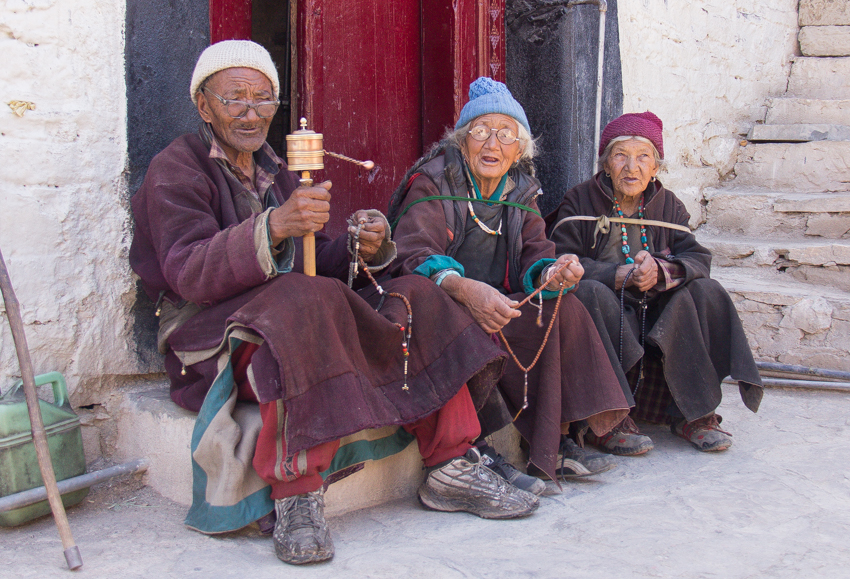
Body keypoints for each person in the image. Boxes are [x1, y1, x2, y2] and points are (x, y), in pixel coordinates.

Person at [129, 41, 539, 567]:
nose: (251, 112)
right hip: (210, 334)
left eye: (262, 99)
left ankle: (452, 464)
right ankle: (297, 493)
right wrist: (275, 225)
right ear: (204, 106)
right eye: (235, 99)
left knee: (414, 290)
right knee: (304, 299)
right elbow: (186, 270)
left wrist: (358, 245)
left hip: (294, 311)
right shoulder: (178, 167)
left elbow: (307, 257)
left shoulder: (274, 171)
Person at [388, 77, 630, 489]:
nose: (491, 144)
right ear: (462, 141)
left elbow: (537, 251)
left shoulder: (520, 189)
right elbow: (413, 253)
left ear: (520, 149)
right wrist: (463, 290)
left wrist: (553, 272)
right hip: (448, 303)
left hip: (497, 305)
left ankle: (559, 438)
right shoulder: (433, 182)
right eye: (480, 131)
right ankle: (480, 449)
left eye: (505, 134)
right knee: (455, 325)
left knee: (564, 306)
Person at [546, 111, 763, 455]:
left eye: (642, 157)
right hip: (610, 318)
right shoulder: (580, 201)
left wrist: (661, 272)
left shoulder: (668, 205)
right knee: (586, 291)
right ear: (605, 164)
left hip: (658, 322)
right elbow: (557, 259)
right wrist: (613, 275)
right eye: (621, 156)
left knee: (705, 290)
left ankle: (692, 413)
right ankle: (609, 418)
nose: (631, 167)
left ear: (655, 168)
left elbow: (697, 259)